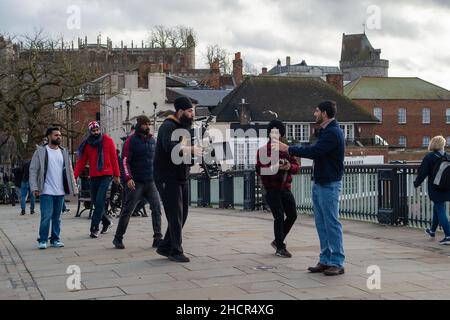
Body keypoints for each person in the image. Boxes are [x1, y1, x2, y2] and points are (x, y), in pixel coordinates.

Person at [274, 100, 345, 276]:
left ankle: (337, 262)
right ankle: (325, 260)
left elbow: (315, 152)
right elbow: (316, 150)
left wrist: (288, 148)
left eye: (317, 111)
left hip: (329, 183)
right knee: (322, 223)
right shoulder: (326, 131)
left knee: (331, 223)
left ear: (325, 114)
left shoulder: (332, 133)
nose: (314, 114)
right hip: (321, 182)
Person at [154, 96, 202, 263]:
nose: (192, 114)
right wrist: (189, 149)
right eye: (189, 111)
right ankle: (176, 250)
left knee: (183, 214)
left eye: (193, 111)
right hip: (167, 177)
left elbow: (185, 154)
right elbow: (170, 147)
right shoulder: (168, 126)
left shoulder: (184, 128)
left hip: (181, 176)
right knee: (175, 215)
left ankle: (164, 246)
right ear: (180, 111)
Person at [113, 115, 163, 249]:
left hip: (150, 181)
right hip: (136, 182)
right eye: (145, 124)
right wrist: (128, 178)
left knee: (156, 208)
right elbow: (125, 161)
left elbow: (157, 160)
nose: (148, 126)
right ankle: (118, 238)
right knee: (128, 210)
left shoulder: (153, 140)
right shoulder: (131, 141)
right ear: (139, 125)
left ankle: (158, 237)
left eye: (149, 124)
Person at [256, 120, 300, 258]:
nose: (276, 135)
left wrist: (288, 167)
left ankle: (277, 241)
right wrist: (275, 167)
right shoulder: (263, 150)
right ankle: (280, 247)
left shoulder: (286, 149)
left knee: (292, 215)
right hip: (271, 189)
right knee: (279, 216)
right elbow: (260, 170)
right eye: (273, 132)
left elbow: (296, 167)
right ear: (269, 134)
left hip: (285, 188)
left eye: (278, 132)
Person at [29, 127, 78, 249]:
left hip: (60, 191)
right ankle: (43, 239)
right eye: (56, 135)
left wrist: (74, 188)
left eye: (60, 135)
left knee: (57, 217)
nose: (59, 137)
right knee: (46, 216)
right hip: (46, 190)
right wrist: (34, 187)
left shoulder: (64, 152)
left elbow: (70, 171)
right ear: (49, 137)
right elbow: (33, 170)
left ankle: (55, 239)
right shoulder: (41, 151)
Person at [74, 121, 120, 238]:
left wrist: (117, 175)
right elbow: (81, 162)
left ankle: (94, 228)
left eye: (97, 130)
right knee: (95, 201)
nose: (96, 132)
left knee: (99, 201)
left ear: (100, 129)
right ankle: (107, 222)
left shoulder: (107, 140)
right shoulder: (87, 144)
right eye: (93, 131)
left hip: (106, 174)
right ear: (90, 132)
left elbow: (114, 158)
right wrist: (73, 176)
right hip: (94, 175)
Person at [414, 135, 450, 245]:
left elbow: (422, 173)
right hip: (447, 187)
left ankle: (448, 235)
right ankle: (432, 231)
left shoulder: (430, 157)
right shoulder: (448, 156)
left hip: (435, 188)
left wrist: (416, 183)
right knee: (438, 207)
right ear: (442, 145)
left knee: (440, 209)